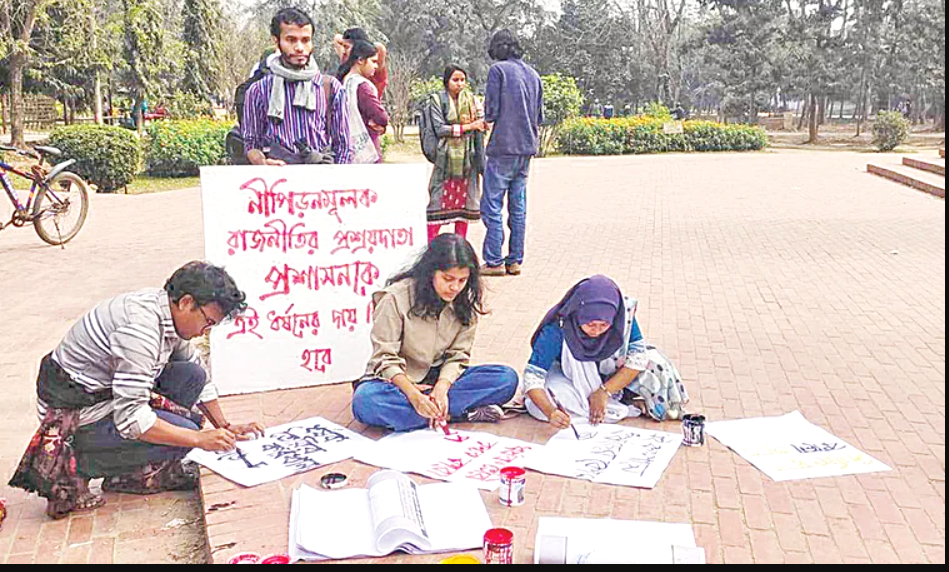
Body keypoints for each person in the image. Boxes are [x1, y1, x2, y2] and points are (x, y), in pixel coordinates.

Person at [9, 262, 264, 520]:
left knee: (191, 377)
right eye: (207, 322)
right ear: (187, 302)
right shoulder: (139, 330)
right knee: (184, 435)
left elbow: (198, 371)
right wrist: (198, 439)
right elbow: (131, 419)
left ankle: (131, 473)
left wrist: (225, 425)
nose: (205, 331)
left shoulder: (167, 313)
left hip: (106, 394)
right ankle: (78, 466)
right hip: (73, 415)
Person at [352, 234, 519, 432]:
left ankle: (430, 411)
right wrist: (413, 394)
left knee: (505, 378)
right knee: (366, 402)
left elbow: (458, 356)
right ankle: (457, 414)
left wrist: (442, 387)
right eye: (447, 279)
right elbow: (384, 358)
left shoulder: (464, 302)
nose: (455, 287)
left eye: (462, 280)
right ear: (431, 272)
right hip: (397, 382)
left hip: (440, 379)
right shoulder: (395, 299)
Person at [522, 275, 689, 428]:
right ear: (578, 314)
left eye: (604, 325)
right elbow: (532, 377)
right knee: (550, 399)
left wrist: (604, 391)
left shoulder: (623, 316)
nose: (596, 331)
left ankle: (621, 399)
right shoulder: (558, 328)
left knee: (656, 366)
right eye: (590, 324)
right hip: (569, 376)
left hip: (613, 374)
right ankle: (624, 406)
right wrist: (551, 412)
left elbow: (637, 358)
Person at [242, 7, 353, 166]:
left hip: (322, 182)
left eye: (306, 40)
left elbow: (344, 146)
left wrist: (336, 181)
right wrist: (263, 163)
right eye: (291, 40)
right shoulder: (258, 91)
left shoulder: (330, 88)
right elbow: (251, 143)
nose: (300, 47)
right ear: (277, 41)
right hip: (279, 184)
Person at [480, 29, 543, 278]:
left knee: (492, 204)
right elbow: (539, 116)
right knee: (518, 207)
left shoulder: (499, 71)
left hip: (503, 146)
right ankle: (514, 260)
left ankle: (494, 260)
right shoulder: (534, 75)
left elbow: (491, 111)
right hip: (527, 147)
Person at [425, 65, 486, 242]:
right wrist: (469, 127)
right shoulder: (437, 101)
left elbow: (481, 123)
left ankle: (460, 246)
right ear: (447, 82)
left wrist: (482, 124)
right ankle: (431, 247)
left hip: (468, 161)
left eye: (462, 80)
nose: (460, 84)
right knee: (436, 205)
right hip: (445, 161)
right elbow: (439, 128)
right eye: (455, 80)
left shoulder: (472, 101)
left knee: (463, 208)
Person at [337, 40, 389, 164]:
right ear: (360, 60)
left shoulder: (343, 81)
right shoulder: (362, 86)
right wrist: (378, 123)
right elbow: (382, 117)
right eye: (373, 61)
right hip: (367, 145)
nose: (376, 66)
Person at [333, 28, 389, 100]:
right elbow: (336, 38)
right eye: (343, 46)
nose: (343, 51)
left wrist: (363, 45)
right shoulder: (347, 61)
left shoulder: (372, 68)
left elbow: (381, 48)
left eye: (346, 47)